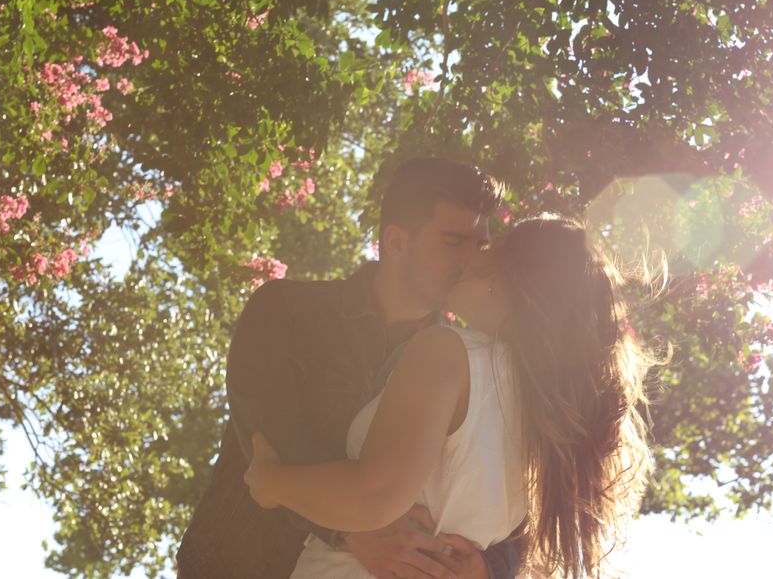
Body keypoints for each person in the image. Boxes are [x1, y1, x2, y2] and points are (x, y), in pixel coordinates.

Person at [244, 215, 653, 578]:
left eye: (487, 250)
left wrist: (271, 482)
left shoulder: (448, 352)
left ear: (509, 277)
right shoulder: (549, 420)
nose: (468, 261)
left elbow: (375, 495)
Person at [177, 157, 521, 579]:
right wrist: (353, 526)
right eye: (452, 243)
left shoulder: (472, 366)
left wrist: (490, 567)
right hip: (235, 565)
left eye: (479, 247)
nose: (470, 263)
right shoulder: (284, 310)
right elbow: (271, 443)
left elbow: (521, 490)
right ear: (396, 242)